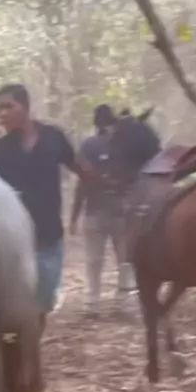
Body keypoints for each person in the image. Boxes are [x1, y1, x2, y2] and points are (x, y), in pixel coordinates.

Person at [0, 83, 91, 331]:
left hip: (49, 241)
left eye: (8, 107)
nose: (2, 114)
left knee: (41, 306)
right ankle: (11, 352)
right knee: (9, 311)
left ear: (25, 106)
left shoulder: (53, 137)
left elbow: (80, 168)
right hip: (12, 245)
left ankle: (30, 348)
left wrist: (108, 187)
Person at [70, 104, 136, 316]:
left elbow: (81, 182)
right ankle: (119, 303)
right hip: (114, 211)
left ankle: (95, 303)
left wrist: (74, 216)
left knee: (97, 260)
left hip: (106, 211)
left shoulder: (93, 146)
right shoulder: (119, 146)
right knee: (123, 260)